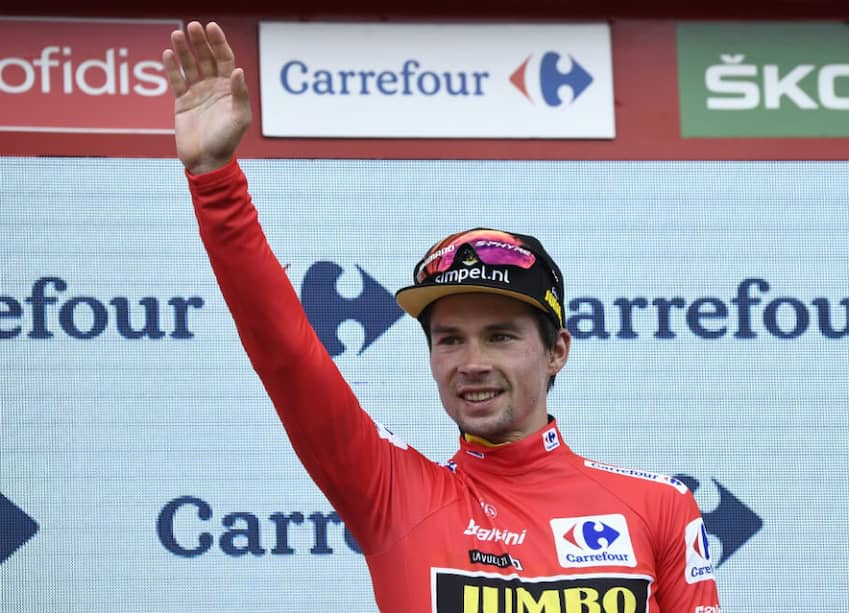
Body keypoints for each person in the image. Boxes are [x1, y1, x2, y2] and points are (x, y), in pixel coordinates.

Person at [164, 21, 721, 613]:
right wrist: (214, 180)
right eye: (450, 340)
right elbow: (286, 354)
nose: (472, 363)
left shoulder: (659, 508)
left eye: (500, 336)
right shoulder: (394, 494)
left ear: (557, 349)